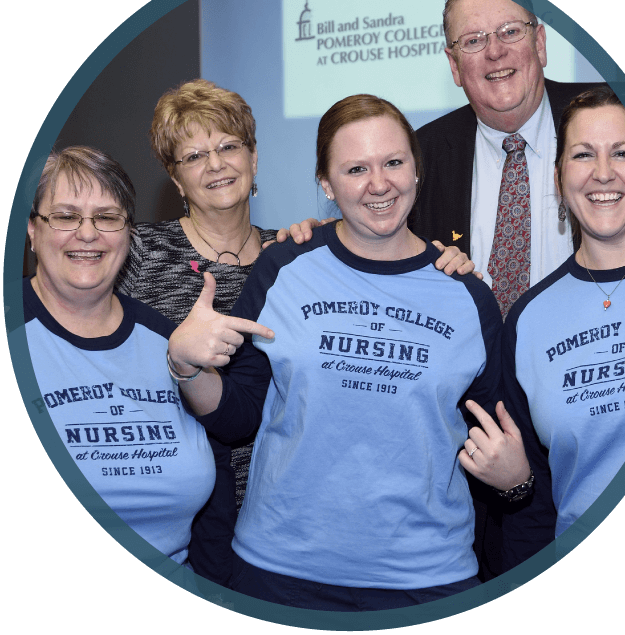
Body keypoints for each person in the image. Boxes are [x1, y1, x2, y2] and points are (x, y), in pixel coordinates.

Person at [167, 94, 531, 610]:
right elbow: (238, 417)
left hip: (426, 578)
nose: (378, 184)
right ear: (325, 183)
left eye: (393, 162)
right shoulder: (283, 269)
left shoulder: (467, 292)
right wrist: (184, 367)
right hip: (280, 574)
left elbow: (497, 447)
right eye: (355, 168)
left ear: (416, 170)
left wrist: (518, 483)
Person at [500, 87, 625, 570]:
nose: (603, 172)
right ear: (558, 178)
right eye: (582, 155)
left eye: (622, 152)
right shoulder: (528, 320)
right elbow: (533, 504)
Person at [115, 79, 278, 586]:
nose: (216, 164)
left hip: (279, 503)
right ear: (175, 178)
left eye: (229, 146)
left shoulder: (293, 257)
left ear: (254, 158)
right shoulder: (136, 253)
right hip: (176, 498)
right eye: (194, 156)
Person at [24, 146, 215, 566]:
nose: (87, 233)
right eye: (65, 215)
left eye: (108, 217)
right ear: (33, 230)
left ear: (129, 235)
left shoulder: (170, 341)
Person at [411, 0, 609, 319]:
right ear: (455, 65)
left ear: (540, 43)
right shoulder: (421, 155)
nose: (495, 51)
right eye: (473, 40)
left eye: (510, 31)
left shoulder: (617, 117)